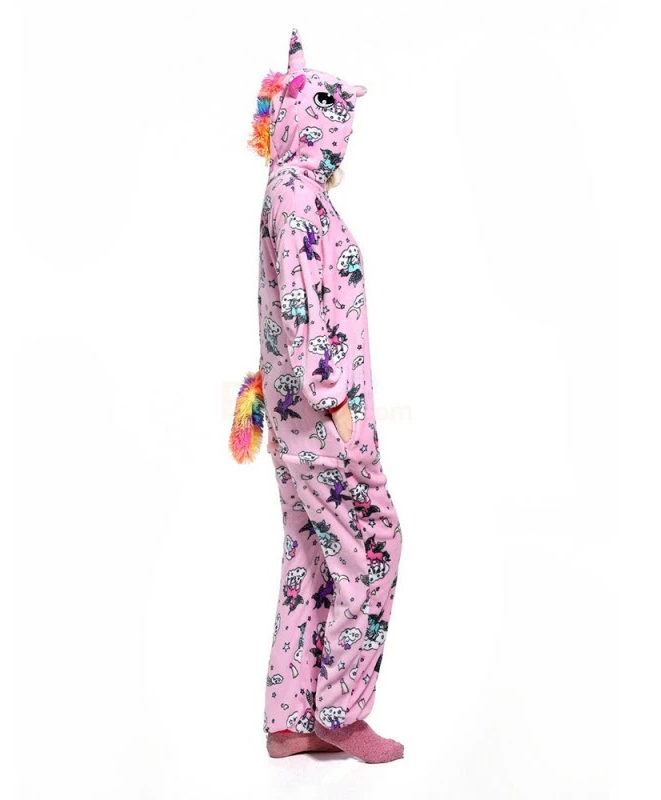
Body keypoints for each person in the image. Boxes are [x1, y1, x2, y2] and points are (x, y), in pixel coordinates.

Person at [251, 28, 405, 764]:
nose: (343, 143)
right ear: (314, 124)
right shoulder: (298, 197)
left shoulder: (287, 193)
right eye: (337, 126)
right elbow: (304, 312)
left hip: (294, 423)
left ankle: (292, 719)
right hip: (322, 420)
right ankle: (341, 710)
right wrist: (337, 404)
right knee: (373, 547)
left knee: (313, 554)